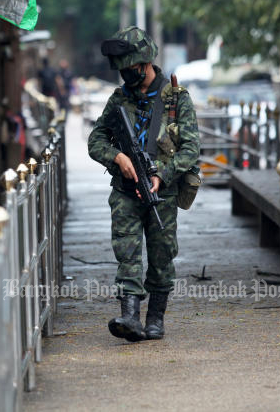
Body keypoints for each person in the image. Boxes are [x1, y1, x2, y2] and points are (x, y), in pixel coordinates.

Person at [87, 26, 200, 341]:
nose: (126, 76)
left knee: (163, 254)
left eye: (130, 69)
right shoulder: (119, 98)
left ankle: (155, 319)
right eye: (121, 71)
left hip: (161, 192)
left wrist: (161, 174)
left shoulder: (176, 99)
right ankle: (129, 317)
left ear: (144, 62)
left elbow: (191, 150)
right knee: (127, 252)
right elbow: (96, 138)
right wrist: (117, 158)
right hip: (126, 191)